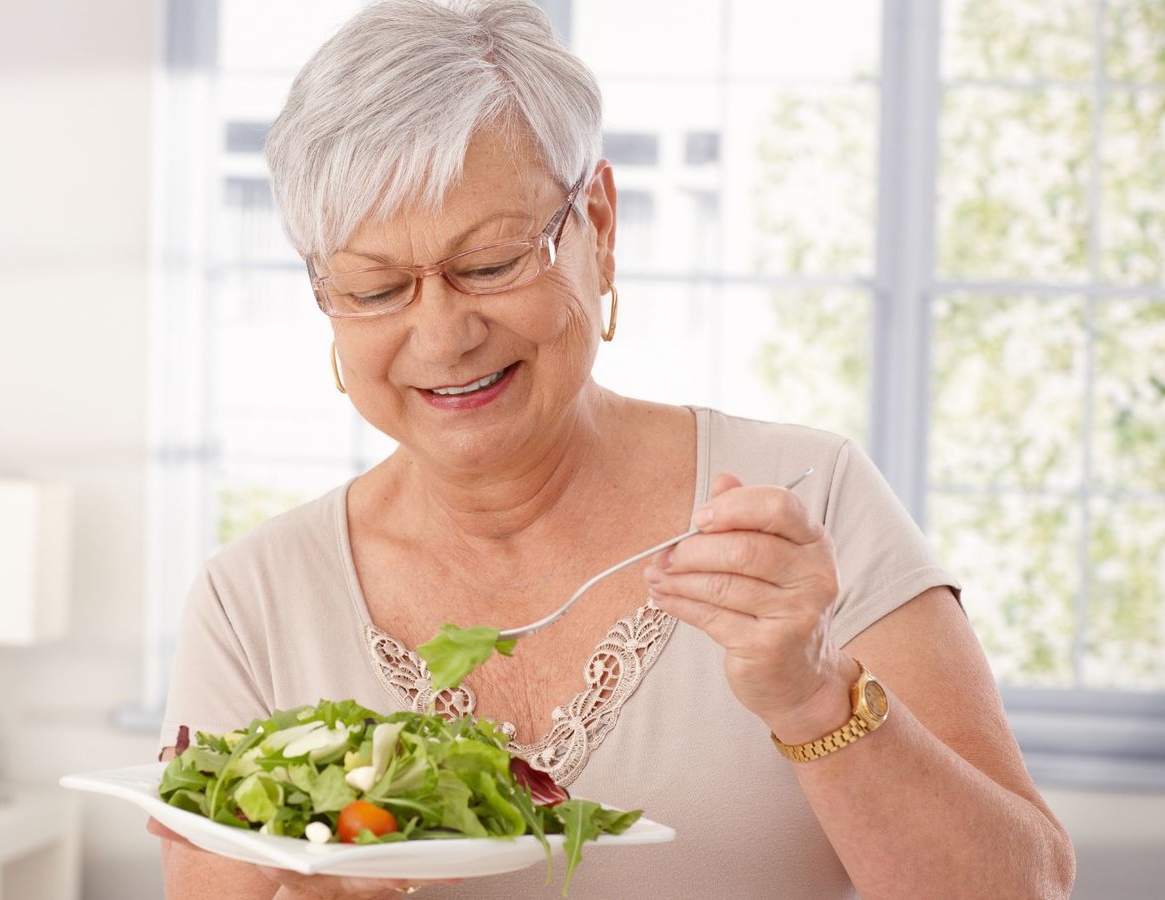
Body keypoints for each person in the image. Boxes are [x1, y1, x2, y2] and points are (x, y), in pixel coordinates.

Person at [151, 1, 1076, 897]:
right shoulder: (253, 602)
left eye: (489, 264)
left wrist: (812, 698)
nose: (440, 338)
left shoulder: (809, 505)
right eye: (376, 287)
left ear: (597, 221)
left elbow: (1024, 889)